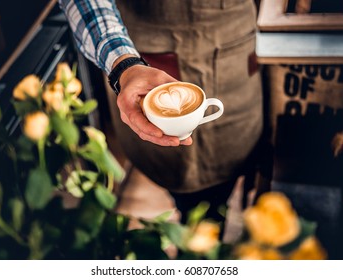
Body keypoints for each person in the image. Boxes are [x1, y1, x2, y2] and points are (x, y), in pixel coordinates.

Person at [58, 0, 263, 227]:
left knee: (227, 176)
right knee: (183, 188)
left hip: (235, 54)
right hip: (144, 60)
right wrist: (123, 65)